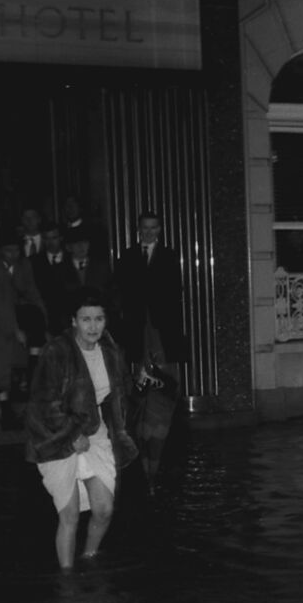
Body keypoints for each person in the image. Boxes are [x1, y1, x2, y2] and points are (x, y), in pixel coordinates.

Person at [25, 289, 137, 571]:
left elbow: (119, 395)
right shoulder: (57, 351)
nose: (93, 326)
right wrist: (71, 435)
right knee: (70, 515)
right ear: (74, 321)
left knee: (104, 509)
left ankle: (90, 559)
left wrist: (119, 428)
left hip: (94, 432)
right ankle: (67, 580)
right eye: (86, 319)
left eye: (99, 319)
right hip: (54, 436)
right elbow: (43, 402)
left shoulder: (111, 351)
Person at [114, 209, 187, 490]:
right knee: (136, 396)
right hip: (135, 335)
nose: (149, 232)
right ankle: (140, 467)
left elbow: (174, 293)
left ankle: (157, 467)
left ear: (160, 230)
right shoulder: (128, 257)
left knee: (165, 394)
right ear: (138, 229)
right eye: (145, 228)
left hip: (162, 335)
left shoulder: (169, 257)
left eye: (154, 228)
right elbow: (120, 293)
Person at [0, 237, 44, 428]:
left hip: (12, 314)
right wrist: (15, 329)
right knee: (0, 360)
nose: (13, 255)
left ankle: (28, 389)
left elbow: (32, 292)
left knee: (29, 342)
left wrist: (44, 321)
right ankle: (6, 410)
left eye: (16, 250)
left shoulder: (23, 265)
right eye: (8, 251)